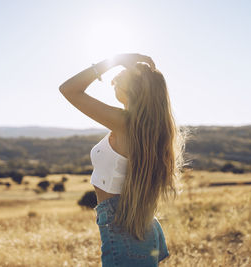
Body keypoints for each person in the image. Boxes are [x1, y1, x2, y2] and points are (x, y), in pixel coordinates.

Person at [59, 53, 186, 266]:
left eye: (119, 79)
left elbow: (68, 89)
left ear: (134, 89)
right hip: (138, 225)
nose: (113, 82)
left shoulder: (127, 123)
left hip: (122, 227)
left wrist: (115, 60)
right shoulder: (149, 128)